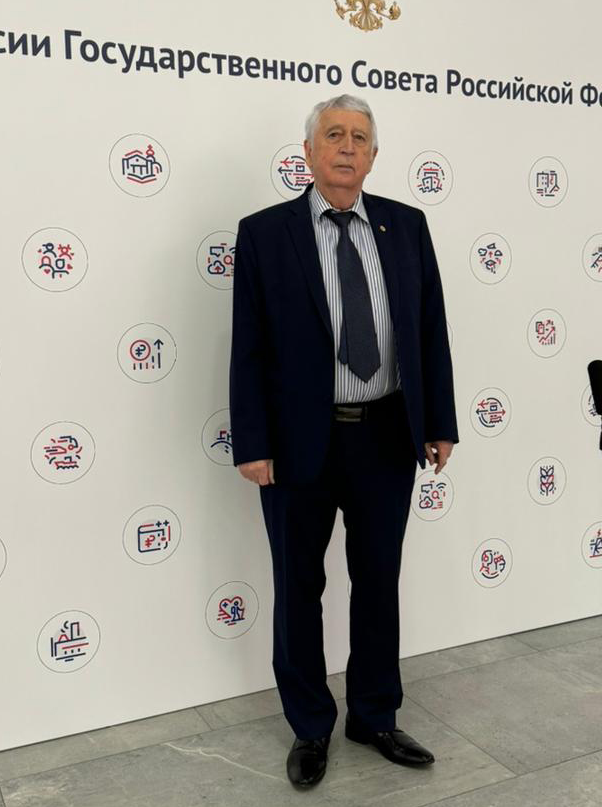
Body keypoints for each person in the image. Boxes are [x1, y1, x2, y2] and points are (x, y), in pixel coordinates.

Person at [229, 94, 458, 788]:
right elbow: (249, 345)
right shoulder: (266, 234)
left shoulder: (406, 225)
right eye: (334, 135)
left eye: (360, 137)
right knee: (299, 586)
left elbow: (429, 328)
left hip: (386, 434)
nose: (348, 147)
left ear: (374, 155)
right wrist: (252, 442)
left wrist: (439, 421)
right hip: (299, 442)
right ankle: (310, 726)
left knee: (378, 580)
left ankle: (374, 715)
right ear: (308, 152)